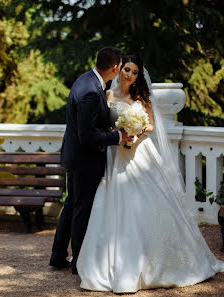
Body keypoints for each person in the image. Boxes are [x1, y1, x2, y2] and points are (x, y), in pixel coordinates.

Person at [76, 55, 224, 293]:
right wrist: (119, 132)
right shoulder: (107, 96)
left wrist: (138, 130)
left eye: (134, 72)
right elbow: (103, 125)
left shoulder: (141, 98)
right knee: (115, 202)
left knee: (152, 202)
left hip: (141, 154)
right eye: (126, 70)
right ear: (120, 69)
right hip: (116, 155)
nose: (129, 75)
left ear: (138, 76)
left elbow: (152, 125)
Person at [49, 47, 134, 274]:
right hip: (84, 160)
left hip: (74, 156)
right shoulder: (91, 92)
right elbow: (86, 136)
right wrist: (117, 136)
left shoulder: (85, 79)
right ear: (115, 68)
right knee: (81, 210)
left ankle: (58, 256)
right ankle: (78, 263)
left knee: (71, 206)